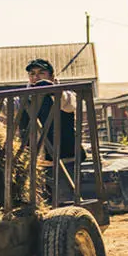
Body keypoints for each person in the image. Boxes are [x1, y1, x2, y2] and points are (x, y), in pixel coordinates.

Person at [26, 58, 81, 204]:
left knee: (67, 203)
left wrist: (53, 91)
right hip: (37, 162)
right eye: (32, 74)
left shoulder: (65, 94)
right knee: (41, 204)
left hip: (65, 160)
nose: (36, 77)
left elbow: (69, 105)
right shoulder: (25, 98)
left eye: (41, 73)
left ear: (51, 76)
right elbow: (7, 109)